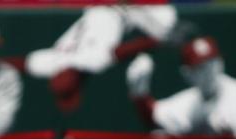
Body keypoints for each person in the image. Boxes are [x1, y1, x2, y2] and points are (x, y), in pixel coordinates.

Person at [24, 5, 179, 113]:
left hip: (120, 10)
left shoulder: (89, 63)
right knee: (166, 21)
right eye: (67, 93)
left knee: (166, 26)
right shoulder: (51, 63)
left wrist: (158, 41)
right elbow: (21, 63)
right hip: (105, 8)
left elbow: (122, 51)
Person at [125, 36, 236, 139]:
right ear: (187, 74)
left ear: (221, 64)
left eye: (212, 64)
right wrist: (140, 94)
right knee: (159, 137)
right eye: (200, 68)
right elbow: (155, 118)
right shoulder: (192, 101)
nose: (209, 72)